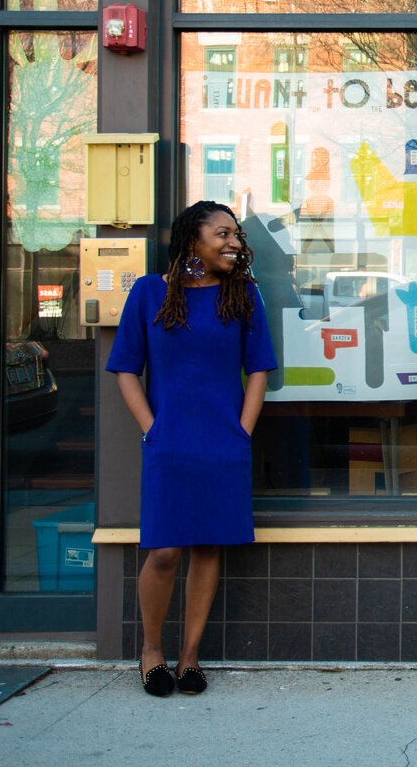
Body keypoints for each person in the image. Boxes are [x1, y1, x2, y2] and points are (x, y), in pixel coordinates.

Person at [107, 200, 278, 697]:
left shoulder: (242, 294)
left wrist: (242, 431)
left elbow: (259, 369)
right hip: (169, 442)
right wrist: (151, 429)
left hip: (223, 443)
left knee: (207, 547)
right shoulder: (148, 293)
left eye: (237, 235)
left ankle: (190, 658)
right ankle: (152, 651)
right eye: (223, 233)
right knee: (164, 552)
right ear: (192, 240)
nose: (235, 243)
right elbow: (125, 368)